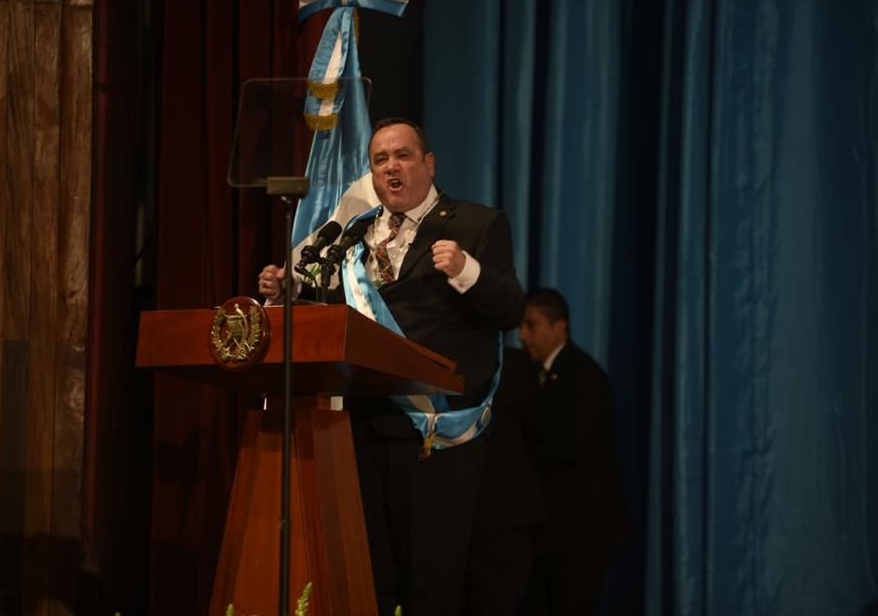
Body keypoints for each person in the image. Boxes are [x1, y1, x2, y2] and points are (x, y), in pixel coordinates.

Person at [258, 118, 525, 616]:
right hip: (361, 424)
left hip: (435, 430)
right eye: (380, 160)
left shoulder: (474, 224)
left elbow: (510, 310)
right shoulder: (351, 234)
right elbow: (336, 314)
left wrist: (467, 270)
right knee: (370, 578)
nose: (390, 167)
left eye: (402, 155)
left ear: (428, 164)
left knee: (431, 582)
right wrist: (288, 293)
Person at [517, 289, 630, 616]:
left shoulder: (584, 376)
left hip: (582, 532)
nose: (523, 336)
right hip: (555, 531)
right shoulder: (535, 374)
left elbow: (575, 447)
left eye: (531, 325)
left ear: (559, 327)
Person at [464, 346, 544, 616]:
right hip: (507, 509)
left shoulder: (451, 354)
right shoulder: (515, 363)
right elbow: (537, 430)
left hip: (471, 505)